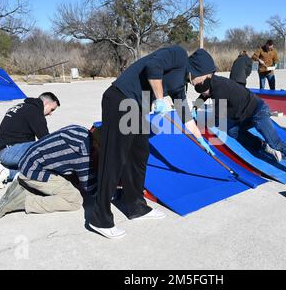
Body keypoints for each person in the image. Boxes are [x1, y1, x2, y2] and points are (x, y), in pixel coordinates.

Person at [89, 46, 216, 239]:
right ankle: (100, 218)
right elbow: (153, 66)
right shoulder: (178, 55)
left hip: (136, 108)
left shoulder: (181, 86)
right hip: (119, 98)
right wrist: (158, 99)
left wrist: (201, 139)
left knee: (139, 154)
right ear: (199, 68)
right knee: (114, 158)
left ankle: (135, 206)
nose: (205, 82)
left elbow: (186, 116)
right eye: (207, 76)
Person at [191, 70, 286, 188]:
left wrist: (195, 124)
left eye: (204, 93)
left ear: (207, 88)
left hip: (258, 112)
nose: (204, 95)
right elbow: (204, 96)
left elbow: (219, 116)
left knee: (276, 142)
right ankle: (262, 145)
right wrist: (195, 108)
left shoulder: (219, 91)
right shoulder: (213, 82)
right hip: (244, 114)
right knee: (232, 131)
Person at [0, 125, 98, 219]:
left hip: (28, 162)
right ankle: (23, 201)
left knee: (72, 181)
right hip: (34, 172)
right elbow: (90, 187)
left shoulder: (79, 130)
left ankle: (25, 186)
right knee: (74, 200)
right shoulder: (83, 155)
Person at [0, 92, 60, 189]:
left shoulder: (22, 106)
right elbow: (45, 140)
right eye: (51, 109)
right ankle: (9, 173)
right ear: (45, 103)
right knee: (46, 154)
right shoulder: (35, 111)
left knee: (40, 153)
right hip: (10, 151)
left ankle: (10, 169)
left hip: (4, 150)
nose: (50, 113)